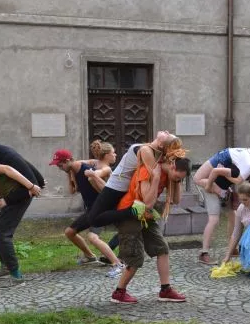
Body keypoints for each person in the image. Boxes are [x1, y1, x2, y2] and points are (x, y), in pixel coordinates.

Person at [110, 152, 191, 305]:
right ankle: (118, 293)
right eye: (178, 177)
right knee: (135, 257)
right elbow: (147, 202)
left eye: (181, 179)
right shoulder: (147, 170)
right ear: (173, 166)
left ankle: (165, 290)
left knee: (162, 248)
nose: (177, 180)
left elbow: (176, 200)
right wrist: (155, 178)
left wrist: (176, 181)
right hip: (129, 212)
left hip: (145, 214)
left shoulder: (170, 176)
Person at [50, 142, 125, 278]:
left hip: (100, 209)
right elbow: (73, 191)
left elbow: (103, 187)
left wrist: (93, 175)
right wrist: (69, 174)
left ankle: (117, 264)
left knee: (92, 237)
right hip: (91, 209)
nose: (59, 168)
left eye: (60, 165)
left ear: (67, 161)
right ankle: (90, 256)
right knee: (69, 232)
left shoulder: (88, 170)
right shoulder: (74, 169)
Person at [87, 131, 183, 228]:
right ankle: (134, 213)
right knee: (94, 220)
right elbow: (155, 170)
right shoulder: (145, 150)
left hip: (123, 188)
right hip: (116, 186)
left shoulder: (157, 155)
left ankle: (134, 213)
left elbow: (158, 170)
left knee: (96, 219)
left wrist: (175, 172)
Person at [194, 148, 250, 265]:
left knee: (233, 215)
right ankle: (203, 253)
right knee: (214, 219)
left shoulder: (242, 168)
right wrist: (210, 187)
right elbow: (215, 172)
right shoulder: (247, 168)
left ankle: (233, 248)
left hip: (222, 185)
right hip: (211, 184)